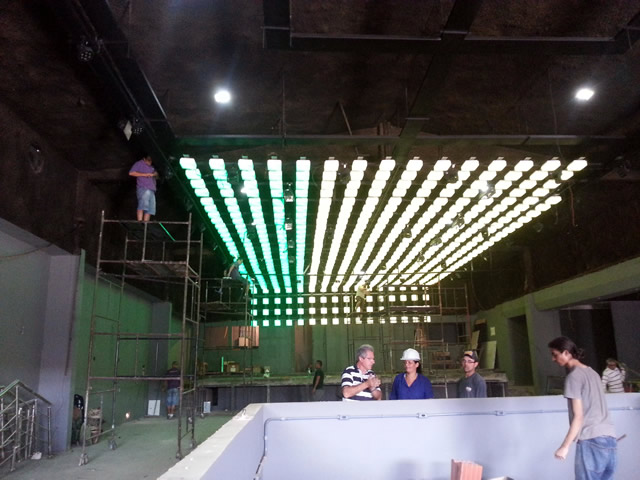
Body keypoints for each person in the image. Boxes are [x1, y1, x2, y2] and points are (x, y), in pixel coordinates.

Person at [548, 336, 617, 479]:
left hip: (591, 440)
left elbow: (579, 416)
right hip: (610, 439)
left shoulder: (574, 377)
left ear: (566, 353)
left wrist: (565, 446)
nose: (553, 359)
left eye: (555, 354)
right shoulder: (593, 373)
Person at [129, 153, 158, 222]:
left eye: (150, 161)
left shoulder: (152, 166)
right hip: (143, 188)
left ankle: (145, 224)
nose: (149, 162)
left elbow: (157, 175)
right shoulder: (139, 163)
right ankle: (139, 222)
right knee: (142, 205)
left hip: (152, 189)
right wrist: (145, 174)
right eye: (148, 161)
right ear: (144, 159)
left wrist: (154, 174)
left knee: (150, 209)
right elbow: (131, 173)